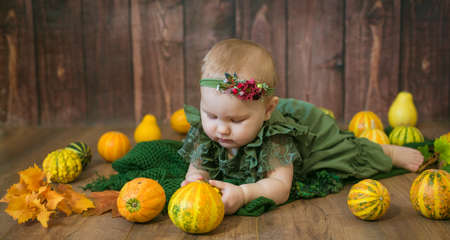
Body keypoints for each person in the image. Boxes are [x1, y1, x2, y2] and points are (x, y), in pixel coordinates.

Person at [178, 39, 424, 215]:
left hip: (314, 141)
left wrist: (243, 194)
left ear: (267, 111)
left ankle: (387, 152)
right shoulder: (207, 130)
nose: (221, 130)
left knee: (346, 155)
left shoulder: (276, 138)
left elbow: (280, 188)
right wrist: (195, 179)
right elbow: (198, 164)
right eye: (211, 115)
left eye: (236, 120)